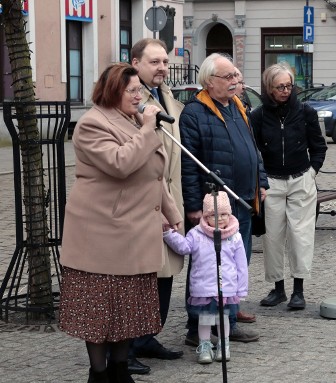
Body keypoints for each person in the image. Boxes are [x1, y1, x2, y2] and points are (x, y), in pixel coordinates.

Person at [58, 62, 183, 383]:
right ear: (113, 90)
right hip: (102, 237)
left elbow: (153, 175)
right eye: (132, 90)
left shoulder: (133, 120)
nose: (139, 96)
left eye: (139, 90)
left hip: (136, 233)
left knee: (128, 310)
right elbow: (120, 164)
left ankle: (119, 369)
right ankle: (98, 374)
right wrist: (146, 130)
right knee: (100, 312)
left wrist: (172, 216)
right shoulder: (92, 124)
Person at [180, 53, 267, 344]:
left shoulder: (238, 106)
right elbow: (188, 164)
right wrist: (193, 206)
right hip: (213, 206)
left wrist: (261, 181)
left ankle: (228, 320)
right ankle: (198, 329)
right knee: (207, 268)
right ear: (209, 81)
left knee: (234, 263)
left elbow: (252, 149)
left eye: (235, 76)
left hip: (241, 200)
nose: (234, 81)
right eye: (228, 77)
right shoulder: (195, 112)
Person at [250, 62, 327, 310]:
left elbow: (319, 146)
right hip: (271, 181)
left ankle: (299, 290)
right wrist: (261, 178)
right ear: (269, 88)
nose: (285, 90)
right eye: (280, 86)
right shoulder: (258, 116)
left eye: (289, 86)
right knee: (272, 237)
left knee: (301, 236)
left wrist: (312, 172)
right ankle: (278, 288)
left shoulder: (306, 112)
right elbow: (255, 150)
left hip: (301, 178)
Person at [128, 37, 184, 374]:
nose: (162, 67)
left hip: (170, 199)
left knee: (166, 273)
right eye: (154, 62)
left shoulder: (167, 95)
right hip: (145, 204)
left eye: (164, 61)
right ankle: (128, 345)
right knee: (140, 278)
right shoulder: (133, 99)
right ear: (135, 63)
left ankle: (149, 336)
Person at [163, 192, 248, 364]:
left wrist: (241, 288)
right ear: (206, 216)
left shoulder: (235, 236)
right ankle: (205, 345)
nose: (220, 219)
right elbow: (184, 247)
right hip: (203, 288)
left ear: (229, 214)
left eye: (224, 215)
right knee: (206, 319)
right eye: (214, 215)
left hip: (226, 288)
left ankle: (224, 345)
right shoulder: (196, 234)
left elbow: (241, 265)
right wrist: (169, 234)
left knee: (223, 319)